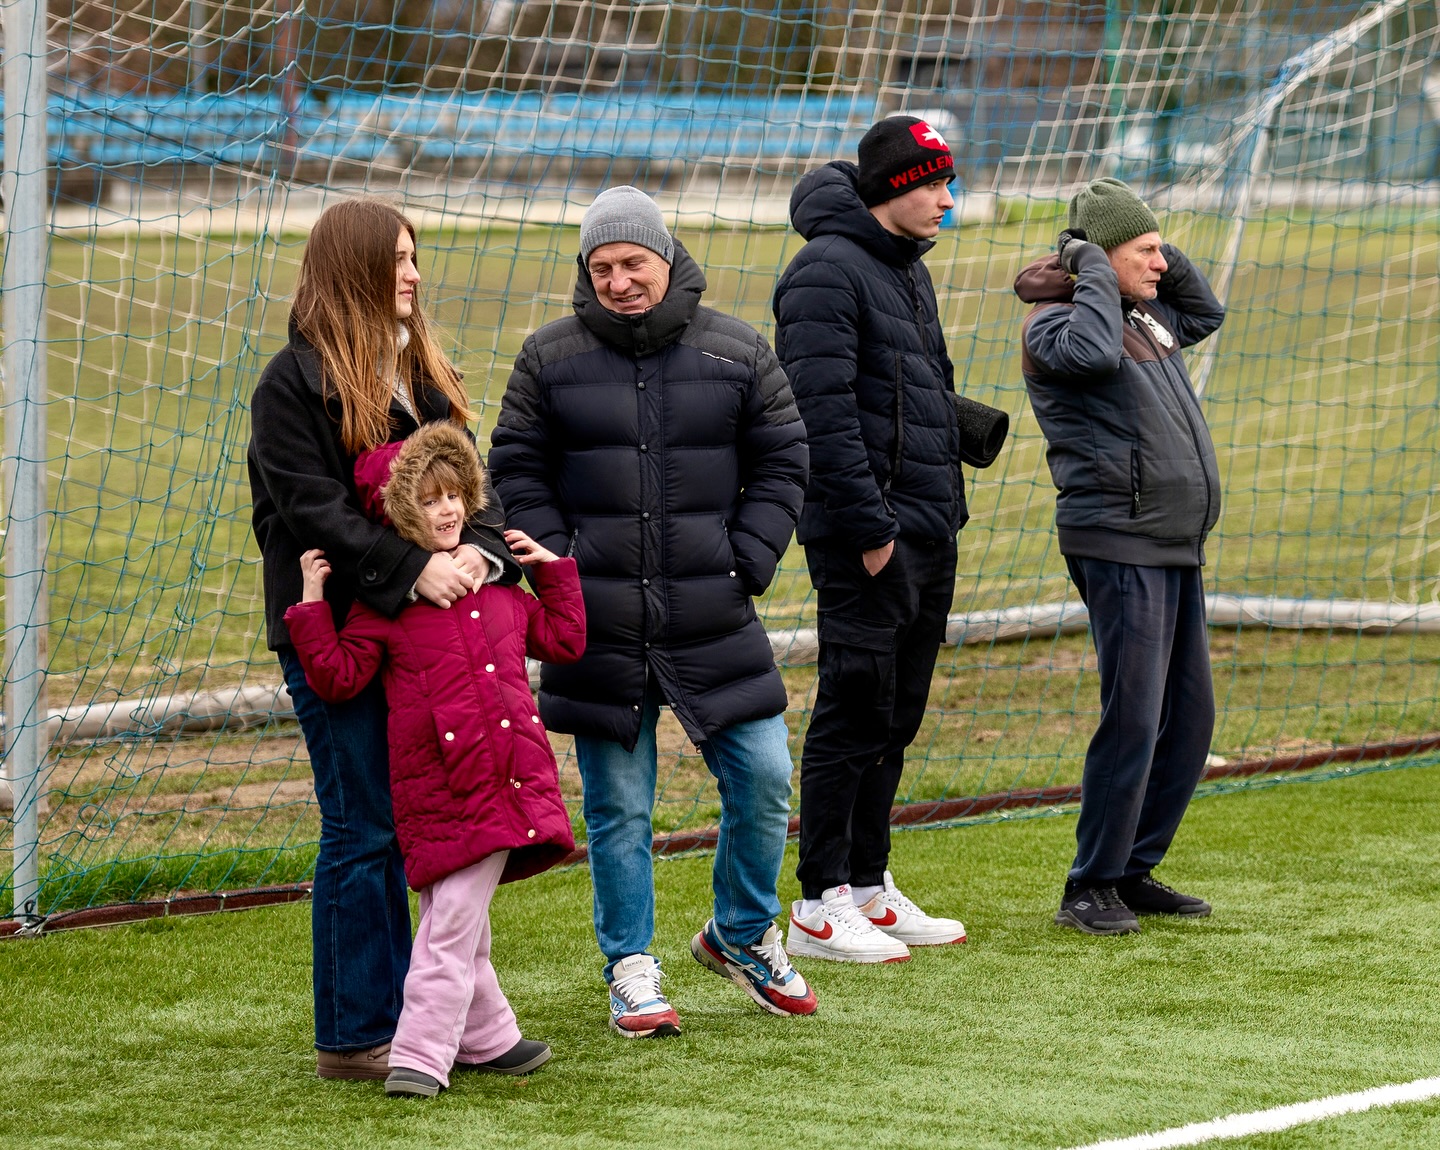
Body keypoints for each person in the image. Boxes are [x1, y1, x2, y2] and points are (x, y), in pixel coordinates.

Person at [489, 185, 816, 1035]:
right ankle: (631, 966)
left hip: (714, 613)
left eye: (633, 263)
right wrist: (559, 562)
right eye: (601, 268)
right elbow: (515, 469)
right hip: (595, 626)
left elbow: (785, 456)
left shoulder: (737, 351)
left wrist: (749, 555)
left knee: (767, 777)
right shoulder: (547, 358)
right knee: (618, 809)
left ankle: (741, 933)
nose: (620, 281)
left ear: (666, 259)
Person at [247, 198, 520, 1079]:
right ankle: (355, 1033)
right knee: (363, 825)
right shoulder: (292, 385)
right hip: (335, 633)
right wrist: (411, 573)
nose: (412, 274)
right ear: (354, 269)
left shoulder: (425, 378)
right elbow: (312, 511)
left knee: (413, 826)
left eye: (414, 256)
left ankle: (433, 1028)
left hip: (420, 643)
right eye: (397, 259)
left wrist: (478, 557)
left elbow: (475, 491)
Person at [283, 421, 586, 1096]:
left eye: (456, 495)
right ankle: (476, 1039)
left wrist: (547, 569)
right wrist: (308, 607)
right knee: (455, 924)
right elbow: (337, 678)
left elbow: (565, 639)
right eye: (429, 499)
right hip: (434, 790)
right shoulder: (382, 609)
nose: (448, 510)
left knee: (452, 920)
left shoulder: (501, 589)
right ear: (397, 512)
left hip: (503, 783)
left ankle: (420, 1052)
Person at [773, 116, 1003, 963]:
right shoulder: (823, 274)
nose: (948, 199)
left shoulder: (906, 269)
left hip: (927, 524)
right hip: (868, 537)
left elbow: (902, 391)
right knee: (854, 704)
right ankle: (818, 899)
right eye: (936, 184)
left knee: (898, 711)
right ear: (894, 188)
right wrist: (872, 535)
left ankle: (869, 883)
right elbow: (820, 416)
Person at [1013, 176, 1224, 935]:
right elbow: (1095, 356)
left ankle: (1132, 869)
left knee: (1190, 717)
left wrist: (1141, 249)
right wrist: (1098, 269)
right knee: (1133, 716)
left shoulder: (1147, 314)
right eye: (1145, 250)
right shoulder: (1058, 323)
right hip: (1117, 538)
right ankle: (1089, 884)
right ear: (1099, 262)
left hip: (1171, 540)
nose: (1161, 263)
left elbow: (1207, 310)